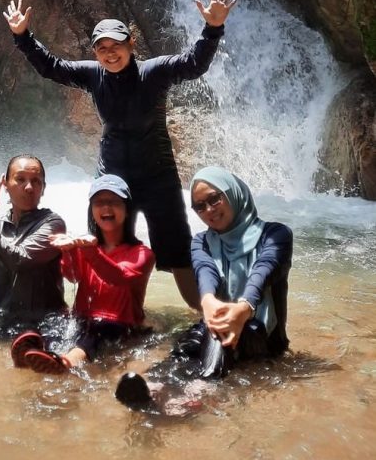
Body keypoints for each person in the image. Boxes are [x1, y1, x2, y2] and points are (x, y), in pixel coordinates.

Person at [3, 0, 236, 308]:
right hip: (112, 178)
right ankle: (101, 313)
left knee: (177, 251)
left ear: (131, 44)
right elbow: (51, 67)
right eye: (102, 48)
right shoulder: (93, 75)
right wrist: (22, 36)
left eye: (116, 45)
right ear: (95, 52)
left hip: (157, 178)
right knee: (103, 248)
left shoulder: (154, 72)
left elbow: (193, 63)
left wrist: (213, 28)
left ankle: (207, 313)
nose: (110, 53)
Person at [115, 166, 293, 409]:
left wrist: (244, 307)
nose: (209, 210)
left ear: (232, 194)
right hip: (218, 327)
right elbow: (205, 271)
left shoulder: (275, 234)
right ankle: (156, 384)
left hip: (263, 336)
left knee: (219, 328)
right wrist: (208, 299)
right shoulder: (202, 242)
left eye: (214, 199)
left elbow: (264, 270)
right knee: (192, 339)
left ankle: (201, 390)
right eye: (200, 206)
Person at [12, 175, 155, 374]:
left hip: (119, 325)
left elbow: (118, 276)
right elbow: (73, 276)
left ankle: (66, 363)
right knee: (57, 322)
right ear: (92, 210)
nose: (106, 207)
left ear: (127, 209)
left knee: (98, 331)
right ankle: (37, 354)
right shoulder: (86, 246)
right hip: (83, 318)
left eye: (114, 202)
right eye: (99, 202)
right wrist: (68, 250)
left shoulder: (142, 254)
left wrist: (88, 250)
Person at [0, 155, 67, 326]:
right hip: (2, 321)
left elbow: (20, 260)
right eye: (20, 179)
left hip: (42, 326)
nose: (29, 187)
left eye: (36, 181)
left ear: (43, 188)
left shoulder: (53, 224)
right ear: (6, 186)